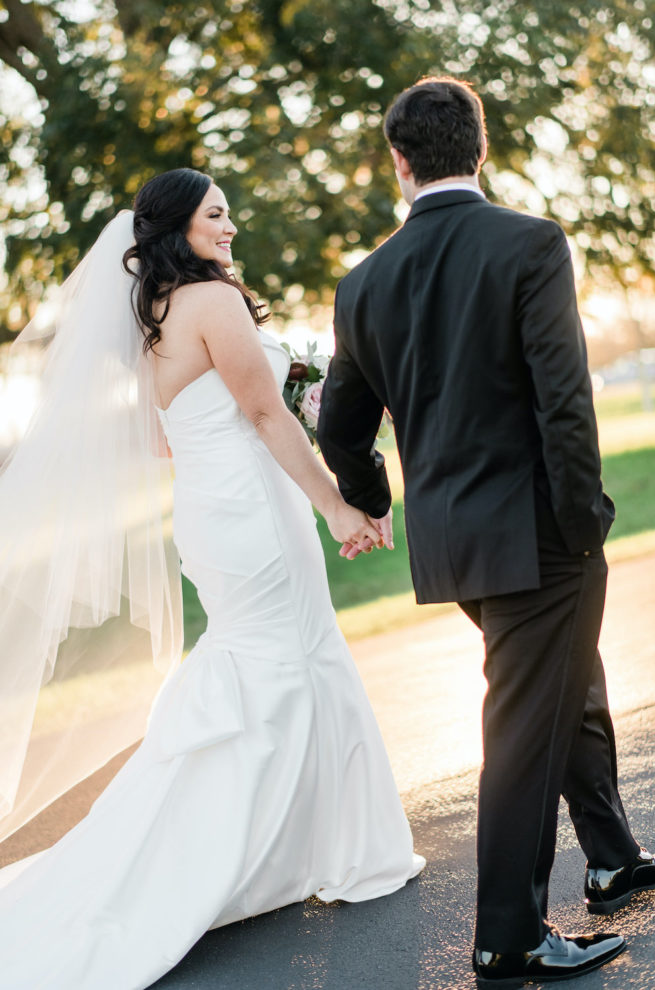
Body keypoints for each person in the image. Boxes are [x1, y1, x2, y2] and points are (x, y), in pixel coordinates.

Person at [0, 168, 424, 989]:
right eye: (216, 214)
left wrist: (265, 426)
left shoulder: (153, 315)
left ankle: (299, 844)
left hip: (213, 511)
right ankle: (328, 849)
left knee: (269, 661)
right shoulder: (215, 302)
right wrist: (337, 507)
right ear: (177, 227)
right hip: (255, 514)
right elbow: (264, 413)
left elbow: (170, 440)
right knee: (291, 659)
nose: (231, 227)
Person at [317, 77, 655, 987]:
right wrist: (586, 523)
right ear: (482, 145)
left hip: (452, 546)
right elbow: (565, 401)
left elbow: (341, 427)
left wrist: (377, 497)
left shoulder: (363, 281)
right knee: (523, 723)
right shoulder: (530, 242)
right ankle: (506, 937)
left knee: (562, 679)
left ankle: (613, 858)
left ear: (399, 163)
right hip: (542, 534)